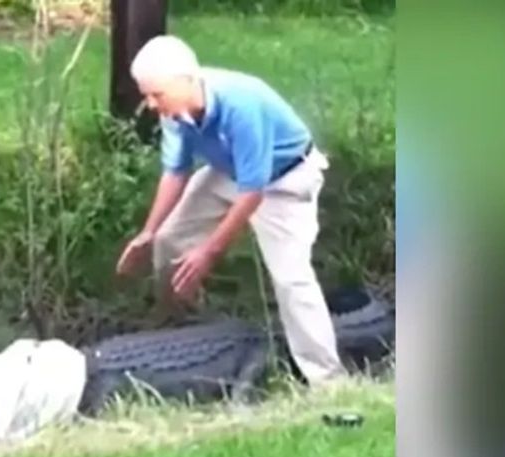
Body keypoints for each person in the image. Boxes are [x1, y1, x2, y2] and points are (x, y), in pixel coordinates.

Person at [114, 35, 346, 386]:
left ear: (186, 80)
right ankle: (182, 327)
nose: (150, 104)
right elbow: (176, 172)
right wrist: (148, 232)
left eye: (156, 95)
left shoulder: (241, 103)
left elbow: (253, 192)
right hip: (228, 170)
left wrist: (209, 251)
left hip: (284, 180)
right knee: (168, 240)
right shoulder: (174, 112)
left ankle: (328, 380)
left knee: (291, 279)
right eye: (146, 95)